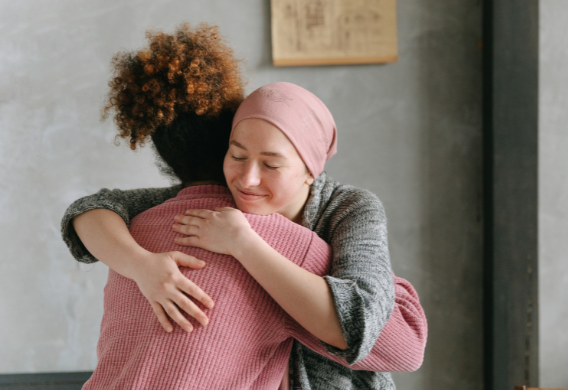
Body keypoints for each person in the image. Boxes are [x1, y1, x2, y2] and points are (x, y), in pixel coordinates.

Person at [62, 23, 426, 389]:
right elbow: (93, 208)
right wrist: (142, 266)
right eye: (237, 156)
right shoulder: (201, 207)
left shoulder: (348, 209)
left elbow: (377, 328)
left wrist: (245, 244)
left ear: (310, 171)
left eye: (270, 164)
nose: (248, 179)